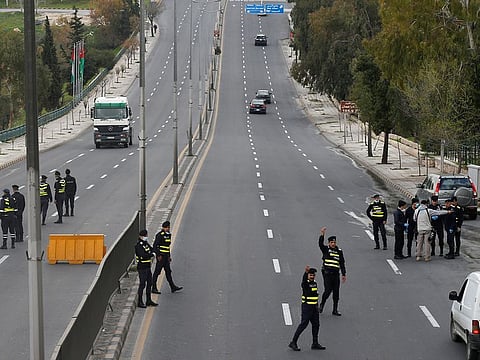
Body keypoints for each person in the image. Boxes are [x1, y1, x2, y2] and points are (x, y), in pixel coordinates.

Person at [288, 266, 326, 352]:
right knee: (303, 325)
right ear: (308, 275)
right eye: (310, 275)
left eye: (313, 275)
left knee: (316, 325)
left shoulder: (314, 283)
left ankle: (315, 343)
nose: (312, 277)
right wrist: (305, 273)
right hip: (307, 307)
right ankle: (293, 342)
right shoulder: (305, 283)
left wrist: (317, 306)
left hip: (314, 308)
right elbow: (303, 281)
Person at [317, 227, 346, 316]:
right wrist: (322, 235)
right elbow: (320, 244)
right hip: (327, 274)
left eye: (334, 242)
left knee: (336, 292)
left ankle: (335, 309)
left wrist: (344, 274)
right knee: (328, 290)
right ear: (329, 243)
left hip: (336, 274)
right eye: (331, 242)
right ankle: (322, 304)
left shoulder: (339, 251)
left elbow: (342, 263)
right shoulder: (326, 249)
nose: (333, 244)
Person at [152, 221, 183, 294]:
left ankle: (173, 287)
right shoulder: (159, 235)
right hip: (161, 257)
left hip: (166, 257)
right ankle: (153, 287)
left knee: (168, 272)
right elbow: (155, 246)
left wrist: (169, 256)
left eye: (168, 227)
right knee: (157, 272)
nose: (168, 229)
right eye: (166, 227)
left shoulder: (168, 235)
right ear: (163, 227)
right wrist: (158, 255)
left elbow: (167, 247)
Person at [134, 229, 158, 308]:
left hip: (147, 267)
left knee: (150, 283)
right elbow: (142, 255)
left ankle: (148, 300)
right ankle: (140, 301)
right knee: (142, 284)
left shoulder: (145, 244)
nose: (146, 237)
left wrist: (154, 252)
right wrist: (151, 255)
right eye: (145, 236)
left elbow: (151, 249)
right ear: (141, 236)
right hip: (142, 267)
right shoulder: (138, 246)